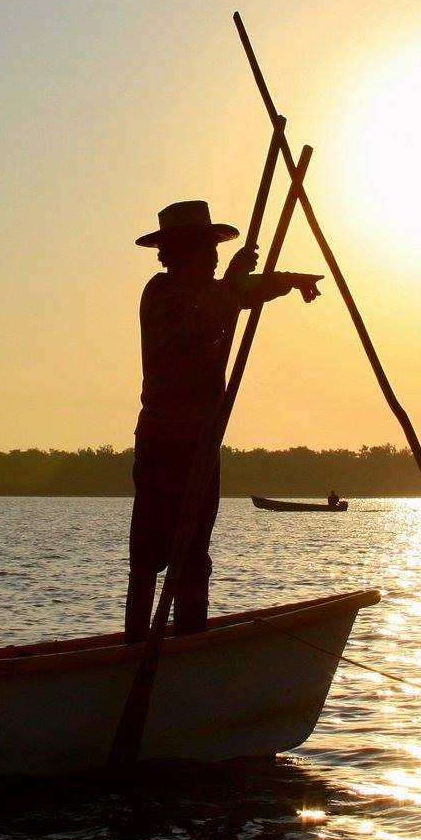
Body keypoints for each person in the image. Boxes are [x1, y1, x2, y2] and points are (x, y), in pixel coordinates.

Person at [125, 199, 322, 642]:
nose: (215, 258)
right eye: (207, 250)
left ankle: (189, 641)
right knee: (148, 555)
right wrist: (233, 283)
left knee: (194, 554)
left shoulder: (215, 291)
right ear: (182, 254)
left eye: (217, 251)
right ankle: (134, 650)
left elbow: (243, 293)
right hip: (164, 442)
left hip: (201, 442)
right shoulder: (162, 294)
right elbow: (206, 313)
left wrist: (290, 281)